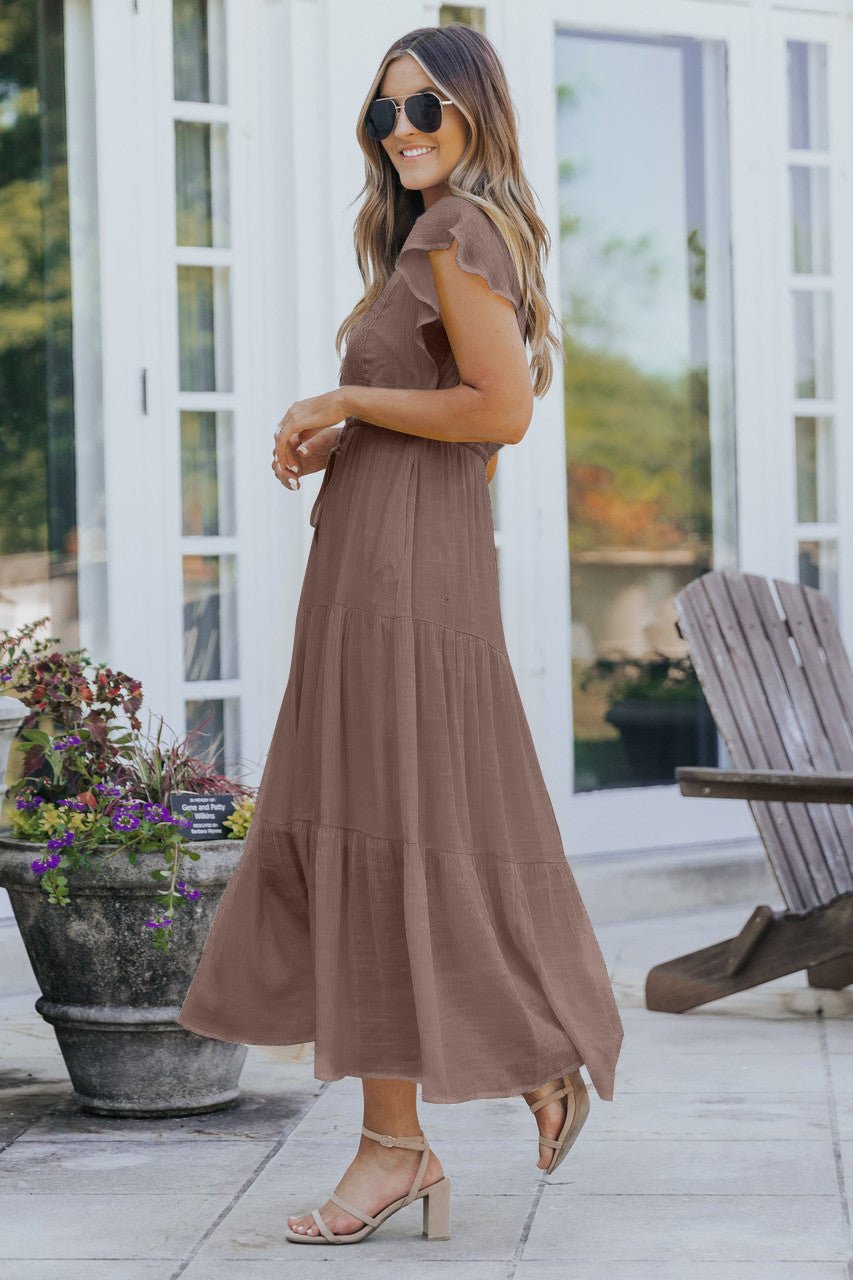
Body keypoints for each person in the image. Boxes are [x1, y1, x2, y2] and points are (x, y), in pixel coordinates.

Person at [176, 21, 623, 1247]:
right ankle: (412, 1128)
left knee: (386, 822)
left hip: (401, 577)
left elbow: (503, 410)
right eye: (384, 113)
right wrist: (351, 434)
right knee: (375, 822)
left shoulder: (456, 230)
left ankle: (432, 1118)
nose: (403, 130)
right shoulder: (428, 237)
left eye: (425, 106)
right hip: (383, 558)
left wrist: (344, 394)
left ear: (475, 109)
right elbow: (457, 416)